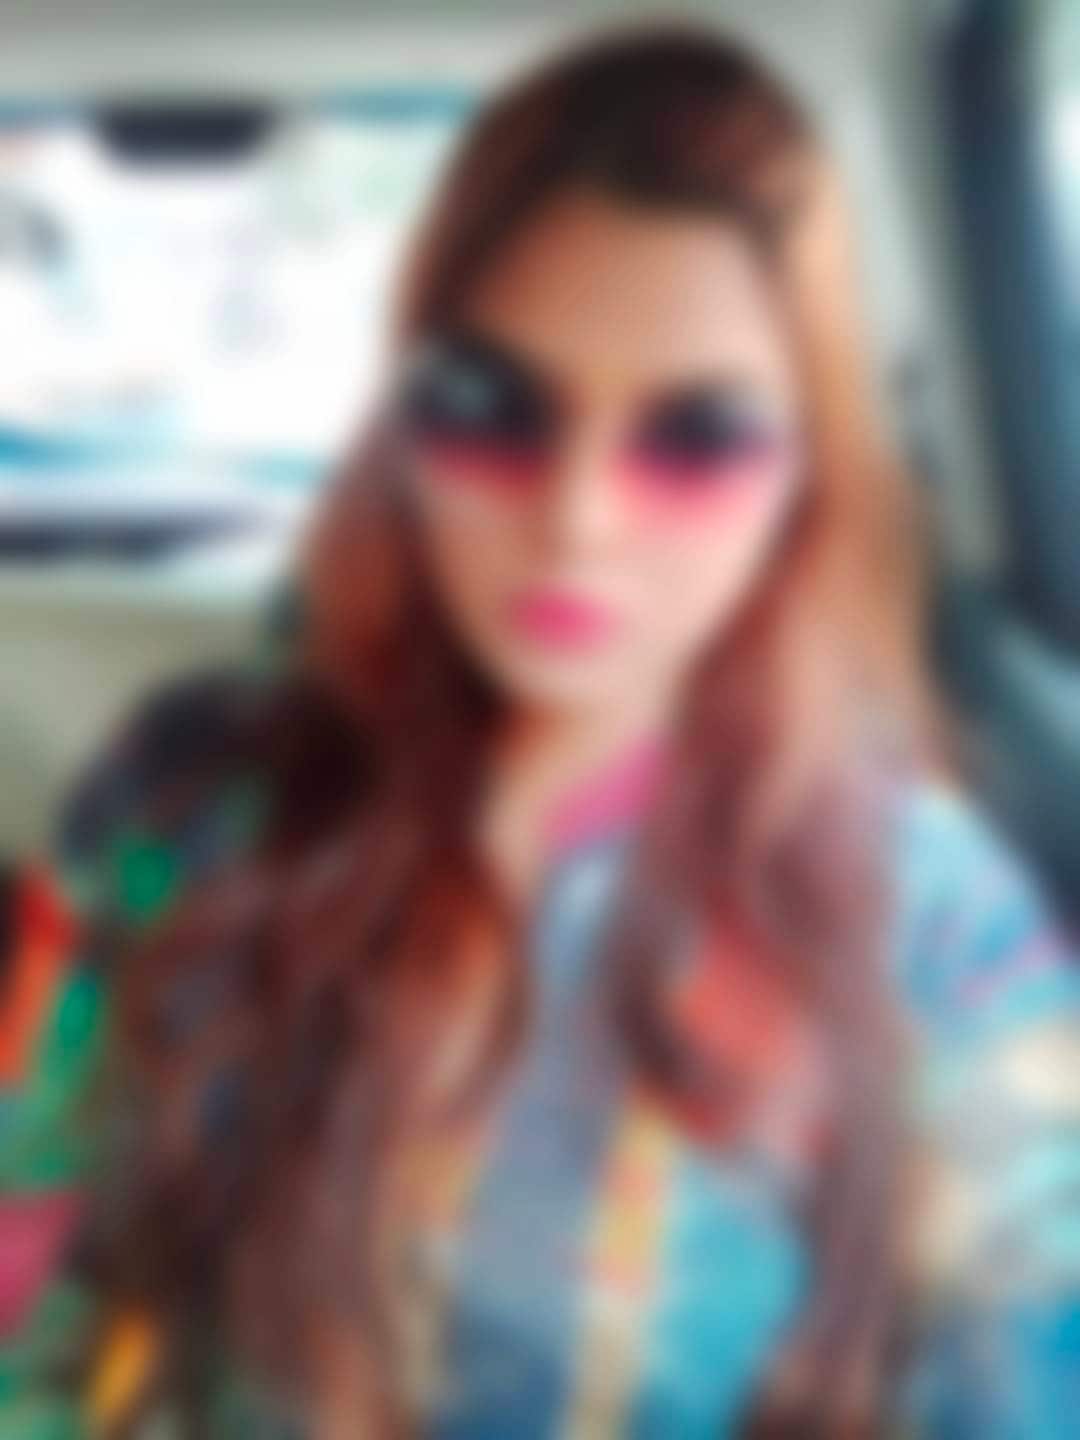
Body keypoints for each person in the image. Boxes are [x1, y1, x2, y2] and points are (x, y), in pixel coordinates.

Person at [2, 23, 1078, 1439]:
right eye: (490, 404)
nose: (578, 519)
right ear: (403, 420)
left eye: (695, 437)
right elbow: (37, 1261)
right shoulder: (189, 797)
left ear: (805, 475)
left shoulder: (937, 928)